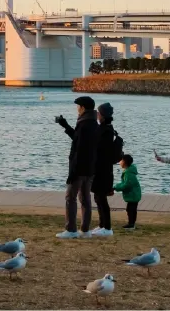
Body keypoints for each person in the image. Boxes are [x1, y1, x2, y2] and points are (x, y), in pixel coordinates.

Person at [55, 95, 98, 239]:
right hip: (90, 168)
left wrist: (72, 172)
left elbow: (78, 148)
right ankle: (85, 230)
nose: (77, 109)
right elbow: (79, 139)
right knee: (85, 198)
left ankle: (71, 229)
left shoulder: (84, 123)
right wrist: (66, 126)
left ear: (83, 107)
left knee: (70, 197)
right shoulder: (93, 123)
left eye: (78, 107)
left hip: (79, 168)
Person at [90, 102, 122, 236]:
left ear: (102, 115)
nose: (97, 115)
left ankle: (107, 227)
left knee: (101, 198)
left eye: (98, 113)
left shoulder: (106, 130)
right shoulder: (105, 128)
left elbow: (101, 150)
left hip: (103, 169)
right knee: (98, 197)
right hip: (101, 168)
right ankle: (102, 224)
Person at [113, 154, 142, 229]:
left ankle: (131, 224)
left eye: (121, 161)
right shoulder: (129, 171)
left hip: (133, 194)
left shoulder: (128, 173)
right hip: (134, 193)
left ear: (124, 162)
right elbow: (125, 183)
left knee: (130, 209)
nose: (120, 162)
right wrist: (116, 186)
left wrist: (116, 187)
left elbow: (126, 185)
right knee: (132, 209)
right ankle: (132, 223)